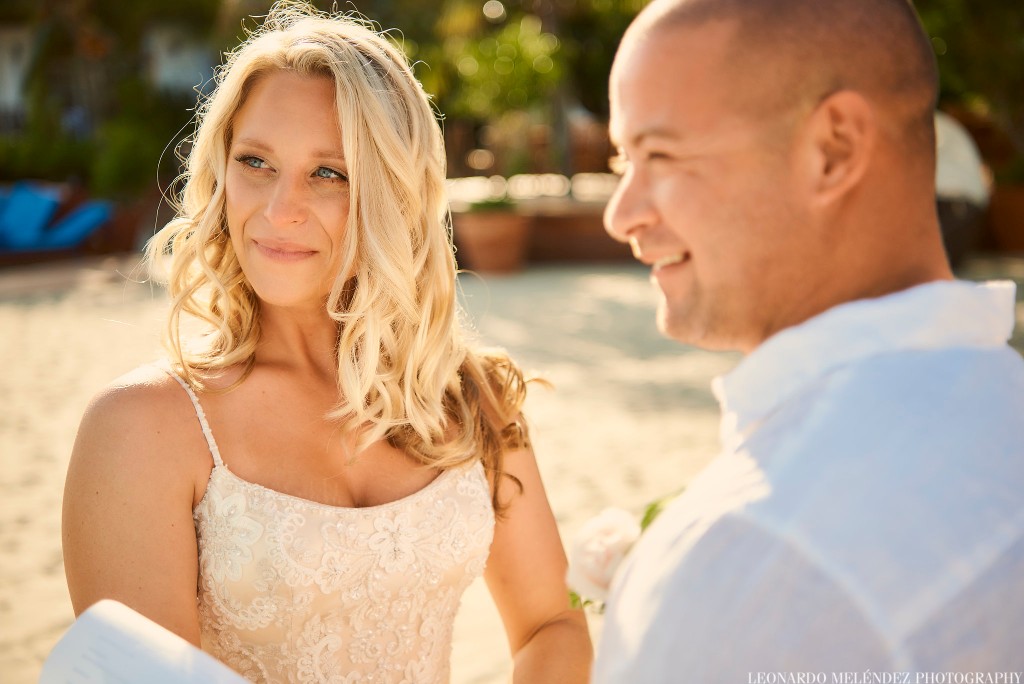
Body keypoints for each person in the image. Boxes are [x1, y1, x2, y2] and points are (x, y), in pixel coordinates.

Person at [61, 5, 591, 682]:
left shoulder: (470, 398)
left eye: (328, 173)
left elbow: (554, 622)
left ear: (393, 195)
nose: (280, 209)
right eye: (256, 162)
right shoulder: (142, 427)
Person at [594, 0, 1024, 680]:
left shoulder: (751, 560)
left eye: (661, 154)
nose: (622, 215)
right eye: (624, 160)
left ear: (834, 150)